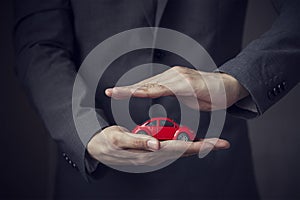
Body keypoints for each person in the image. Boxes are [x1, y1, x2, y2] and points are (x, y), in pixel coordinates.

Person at [14, 0, 300, 199]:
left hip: (214, 175)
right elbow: (39, 43)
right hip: (97, 177)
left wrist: (235, 80)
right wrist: (87, 131)